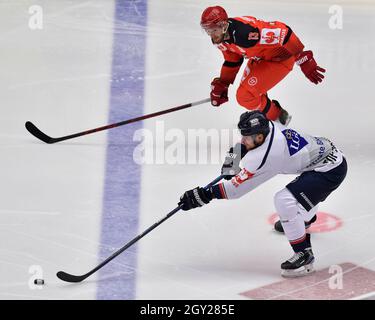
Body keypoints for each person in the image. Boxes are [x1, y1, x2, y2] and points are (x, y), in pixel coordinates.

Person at [178, 111, 347, 277]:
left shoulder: (266, 156)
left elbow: (236, 190)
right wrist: (233, 159)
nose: (243, 139)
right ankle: (303, 220)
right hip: (324, 159)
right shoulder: (269, 126)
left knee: (284, 200)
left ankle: (304, 254)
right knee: (302, 191)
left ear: (259, 137)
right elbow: (245, 144)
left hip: (329, 171)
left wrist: (204, 195)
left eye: (247, 137)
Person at [201, 6, 326, 125]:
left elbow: (284, 32)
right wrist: (223, 83)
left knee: (245, 97)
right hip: (260, 58)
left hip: (280, 60)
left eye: (213, 30)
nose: (211, 34)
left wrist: (301, 57)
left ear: (223, 25)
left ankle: (278, 118)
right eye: (207, 30)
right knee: (248, 96)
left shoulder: (246, 33)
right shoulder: (221, 38)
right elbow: (233, 60)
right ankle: (265, 115)